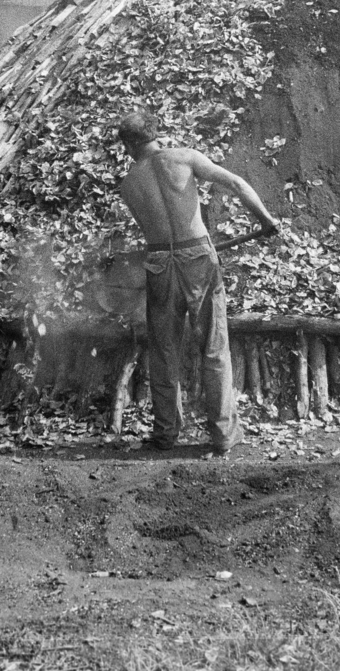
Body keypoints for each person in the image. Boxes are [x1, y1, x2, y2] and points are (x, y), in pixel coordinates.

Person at [115, 109, 279, 455]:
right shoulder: (185, 157)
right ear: (156, 133)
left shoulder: (128, 184)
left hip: (159, 264)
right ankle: (223, 436)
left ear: (130, 144)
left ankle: (165, 435)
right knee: (214, 346)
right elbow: (235, 183)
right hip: (199, 260)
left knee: (163, 352)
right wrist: (265, 220)